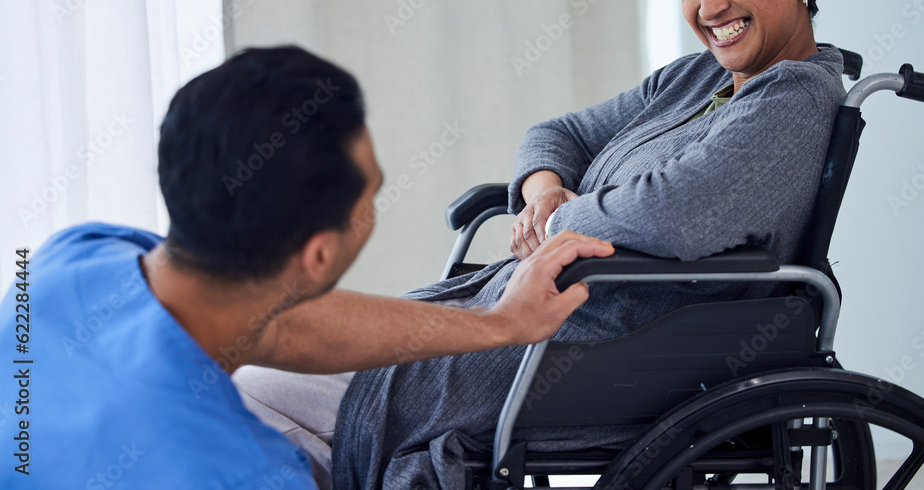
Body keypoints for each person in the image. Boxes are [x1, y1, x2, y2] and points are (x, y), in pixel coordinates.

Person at [316, 0, 846, 489]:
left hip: (609, 345)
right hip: (545, 316)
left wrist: (558, 223)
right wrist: (543, 192)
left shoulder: (790, 102)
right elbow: (556, 134)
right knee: (289, 377)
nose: (708, 7)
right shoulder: (694, 78)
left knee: (277, 393)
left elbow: (674, 212)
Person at [0, 47, 609, 489]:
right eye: (371, 193)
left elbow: (280, 324)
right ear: (318, 254)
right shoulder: (243, 473)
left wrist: (500, 323)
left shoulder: (72, 256)